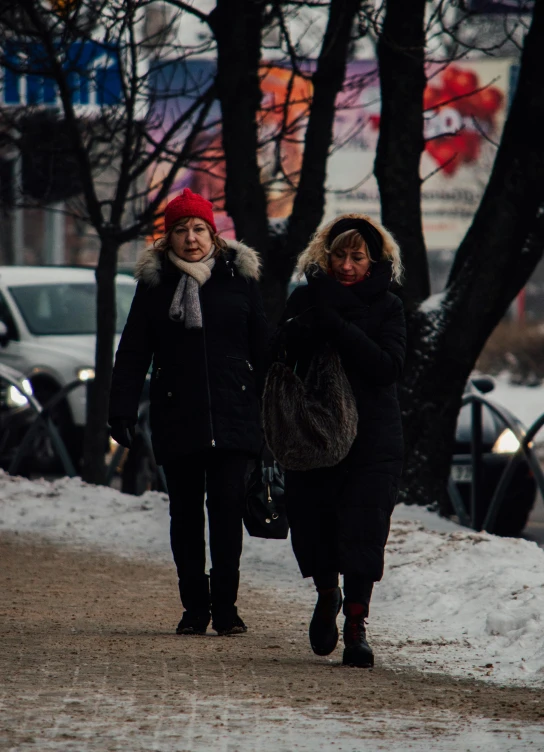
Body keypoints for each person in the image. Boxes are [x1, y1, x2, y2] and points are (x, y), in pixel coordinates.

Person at [109, 188, 268, 636]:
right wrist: (120, 408)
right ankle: (195, 608)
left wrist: (273, 406)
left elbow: (263, 346)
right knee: (184, 515)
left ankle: (227, 608)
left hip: (234, 412)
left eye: (198, 228)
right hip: (178, 414)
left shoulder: (240, 279)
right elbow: (134, 350)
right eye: (181, 230)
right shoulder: (154, 285)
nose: (191, 238)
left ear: (213, 234)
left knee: (225, 510)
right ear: (168, 238)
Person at [275, 214, 406, 667]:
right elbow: (282, 356)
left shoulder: (389, 306)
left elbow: (388, 367)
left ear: (374, 261)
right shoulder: (304, 300)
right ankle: (327, 594)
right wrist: (309, 325)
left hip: (373, 440)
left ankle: (356, 624)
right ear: (324, 256)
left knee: (364, 531)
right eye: (339, 255)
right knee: (315, 526)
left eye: (357, 257)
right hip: (313, 435)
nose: (347, 265)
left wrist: (340, 327)